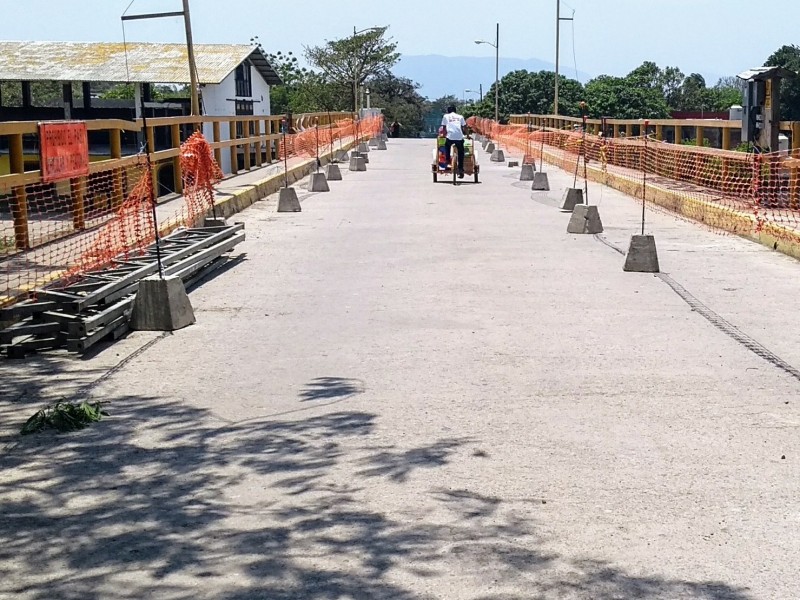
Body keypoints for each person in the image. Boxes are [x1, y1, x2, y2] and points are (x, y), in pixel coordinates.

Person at [441, 105, 467, 178]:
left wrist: (443, 135)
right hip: (459, 137)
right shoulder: (460, 116)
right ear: (455, 111)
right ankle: (461, 169)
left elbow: (444, 127)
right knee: (461, 152)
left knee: (447, 145)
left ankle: (448, 160)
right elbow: (464, 127)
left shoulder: (446, 116)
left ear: (448, 111)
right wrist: (467, 135)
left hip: (450, 136)